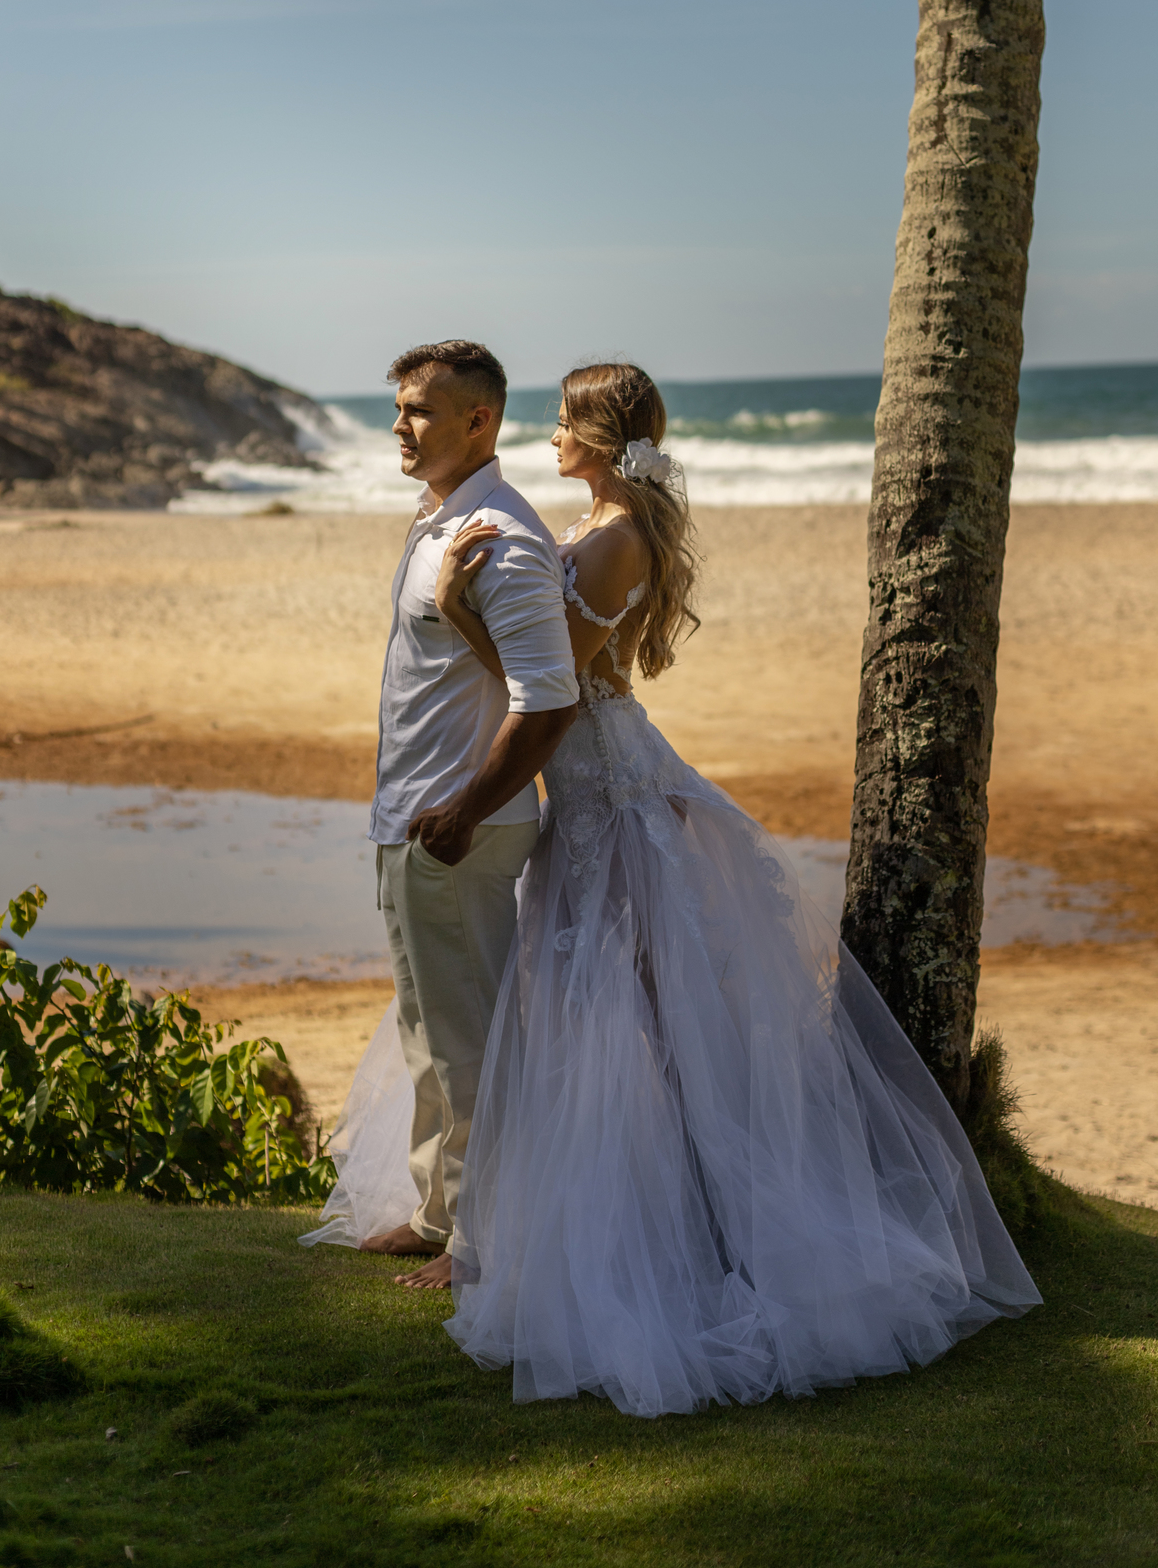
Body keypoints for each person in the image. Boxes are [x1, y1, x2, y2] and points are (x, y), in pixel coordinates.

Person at [311, 359, 1041, 1417]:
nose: (551, 438)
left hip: (610, 797)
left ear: (601, 444)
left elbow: (551, 694)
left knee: (621, 1025)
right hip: (592, 796)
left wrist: (466, 609)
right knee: (596, 1025)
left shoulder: (608, 544)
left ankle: (603, 1235)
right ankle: (543, 1221)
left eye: (565, 425)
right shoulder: (602, 531)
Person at [299, 340, 578, 1288]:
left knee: (471, 1047)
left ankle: (483, 1244)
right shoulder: (439, 522)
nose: (401, 425)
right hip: (411, 821)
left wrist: (464, 808)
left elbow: (550, 704)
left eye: (421, 409)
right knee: (428, 1035)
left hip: (462, 827)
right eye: (400, 408)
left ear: (479, 421)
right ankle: (436, 1213)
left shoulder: (504, 537)